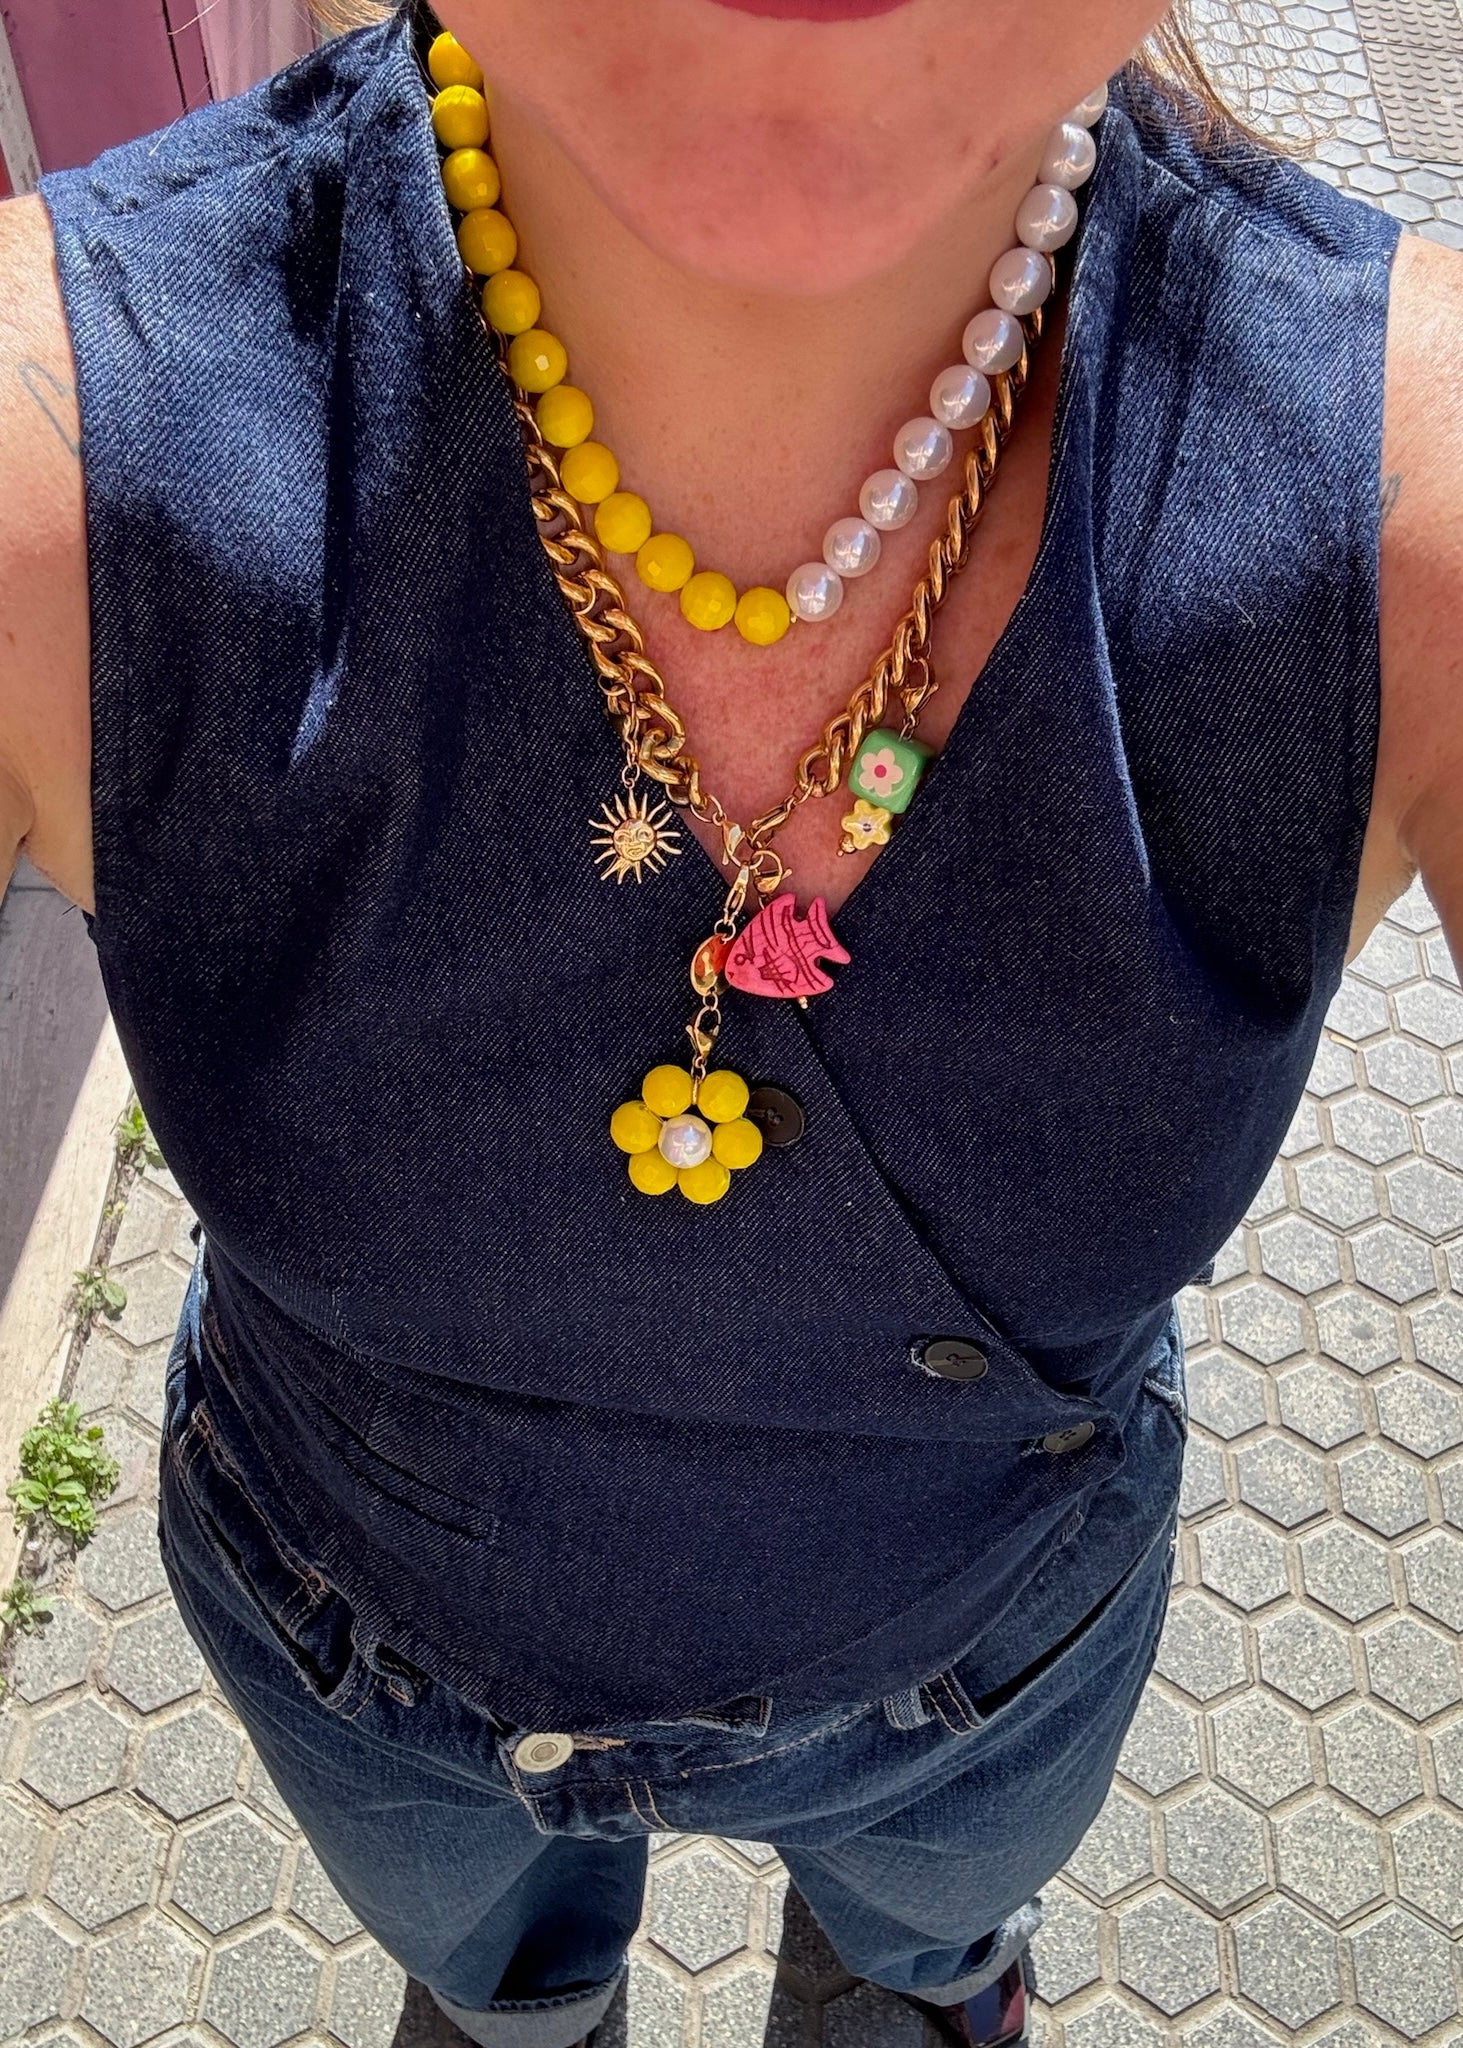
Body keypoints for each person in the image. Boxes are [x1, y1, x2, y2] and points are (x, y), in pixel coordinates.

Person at [2, 1, 1460, 2042]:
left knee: (926, 1949)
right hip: (357, 1653)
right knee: (499, 1984)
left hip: (991, 1692)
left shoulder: (1402, 492)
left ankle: (920, 1976)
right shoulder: (72, 439)